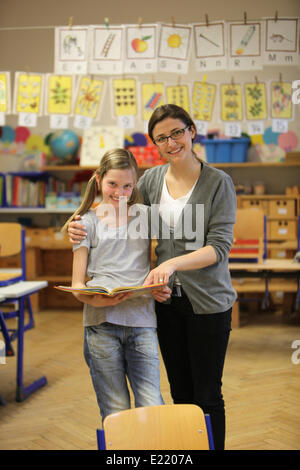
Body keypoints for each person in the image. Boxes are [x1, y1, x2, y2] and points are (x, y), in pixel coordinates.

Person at [68, 105, 237, 449]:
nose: (171, 142)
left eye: (177, 132)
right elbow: (116, 215)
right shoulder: (150, 181)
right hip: (164, 303)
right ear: (155, 145)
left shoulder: (218, 182)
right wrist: (76, 225)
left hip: (209, 303)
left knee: (207, 394)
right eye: (162, 138)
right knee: (179, 393)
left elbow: (219, 247)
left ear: (192, 131)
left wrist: (172, 265)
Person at [62, 148, 164, 422]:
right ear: (98, 180)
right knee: (115, 409)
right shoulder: (85, 223)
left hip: (142, 323)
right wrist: (92, 299)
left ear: (135, 184)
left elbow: (165, 258)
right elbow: (77, 285)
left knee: (152, 405)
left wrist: (160, 283)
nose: (120, 192)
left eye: (128, 186)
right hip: (100, 326)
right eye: (113, 184)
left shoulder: (145, 216)